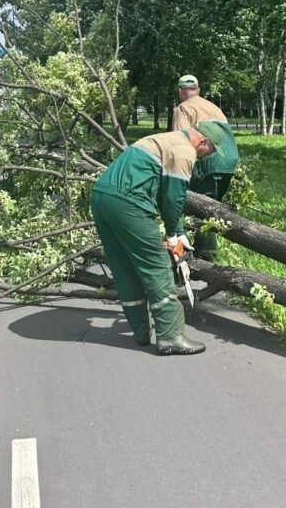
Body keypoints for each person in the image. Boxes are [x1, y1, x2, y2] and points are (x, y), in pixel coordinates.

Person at [91, 121, 232, 355]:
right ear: (203, 142)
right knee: (156, 264)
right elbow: (173, 198)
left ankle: (140, 330)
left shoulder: (166, 139)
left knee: (124, 265)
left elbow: (164, 192)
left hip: (102, 197)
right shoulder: (185, 151)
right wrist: (173, 235)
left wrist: (178, 233)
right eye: (211, 152)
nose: (207, 158)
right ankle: (170, 336)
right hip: (128, 203)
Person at [171, 74, 240, 260]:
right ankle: (202, 257)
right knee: (210, 210)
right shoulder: (213, 107)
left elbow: (182, 143)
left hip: (208, 162)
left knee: (195, 208)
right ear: (198, 90)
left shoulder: (182, 109)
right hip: (229, 162)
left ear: (180, 92)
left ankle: (202, 259)